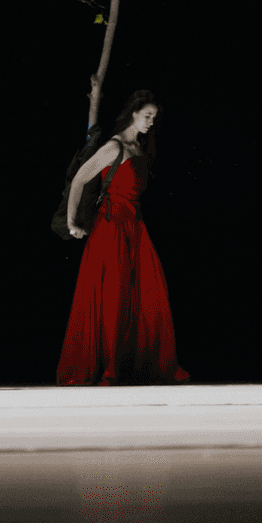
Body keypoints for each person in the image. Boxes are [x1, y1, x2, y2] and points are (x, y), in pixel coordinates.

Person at [57, 89, 191, 386]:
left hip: (135, 227)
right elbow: (80, 178)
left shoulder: (141, 149)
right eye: (147, 116)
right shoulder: (114, 146)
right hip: (111, 227)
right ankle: (111, 367)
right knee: (114, 296)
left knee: (148, 293)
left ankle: (136, 365)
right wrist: (71, 221)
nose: (151, 121)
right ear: (134, 113)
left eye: (154, 117)